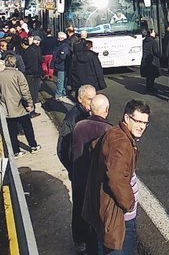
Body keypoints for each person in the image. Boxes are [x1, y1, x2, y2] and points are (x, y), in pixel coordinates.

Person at [82, 99, 151, 255]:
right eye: (138, 121)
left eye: (145, 123)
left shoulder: (114, 132)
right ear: (127, 118)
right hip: (119, 216)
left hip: (109, 210)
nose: (142, 127)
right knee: (118, 249)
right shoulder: (121, 143)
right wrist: (129, 203)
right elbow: (116, 179)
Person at [70, 94, 112, 254]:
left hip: (79, 177)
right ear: (106, 110)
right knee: (96, 217)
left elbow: (69, 152)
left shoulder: (78, 127)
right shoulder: (108, 130)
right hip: (96, 182)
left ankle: (80, 241)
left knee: (79, 210)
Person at [0, 54, 40, 157]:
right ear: (15, 63)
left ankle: (16, 151)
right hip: (19, 106)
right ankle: (33, 145)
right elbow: (25, 91)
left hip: (7, 107)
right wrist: (29, 103)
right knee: (27, 127)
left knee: (12, 130)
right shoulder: (18, 74)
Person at [57, 85, 96, 177]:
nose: (92, 103)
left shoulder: (94, 114)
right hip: (80, 173)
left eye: (94, 99)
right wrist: (74, 170)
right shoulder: (71, 120)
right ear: (80, 99)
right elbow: (62, 149)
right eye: (89, 99)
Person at [22, 36, 44, 117]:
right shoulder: (36, 49)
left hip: (30, 73)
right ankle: (32, 110)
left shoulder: (27, 51)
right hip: (36, 73)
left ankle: (31, 109)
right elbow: (41, 60)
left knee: (30, 92)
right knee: (34, 92)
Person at [139, 29, 161, 94]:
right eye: (154, 32)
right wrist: (159, 55)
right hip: (152, 59)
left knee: (148, 75)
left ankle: (148, 87)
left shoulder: (144, 41)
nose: (155, 33)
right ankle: (151, 87)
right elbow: (155, 51)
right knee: (152, 75)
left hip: (145, 58)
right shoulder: (153, 41)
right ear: (151, 33)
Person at [51, 31, 71, 100]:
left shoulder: (63, 45)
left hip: (61, 66)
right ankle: (63, 92)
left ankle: (58, 94)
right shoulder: (65, 44)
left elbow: (62, 56)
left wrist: (57, 61)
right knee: (63, 80)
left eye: (58, 38)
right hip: (63, 65)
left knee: (60, 80)